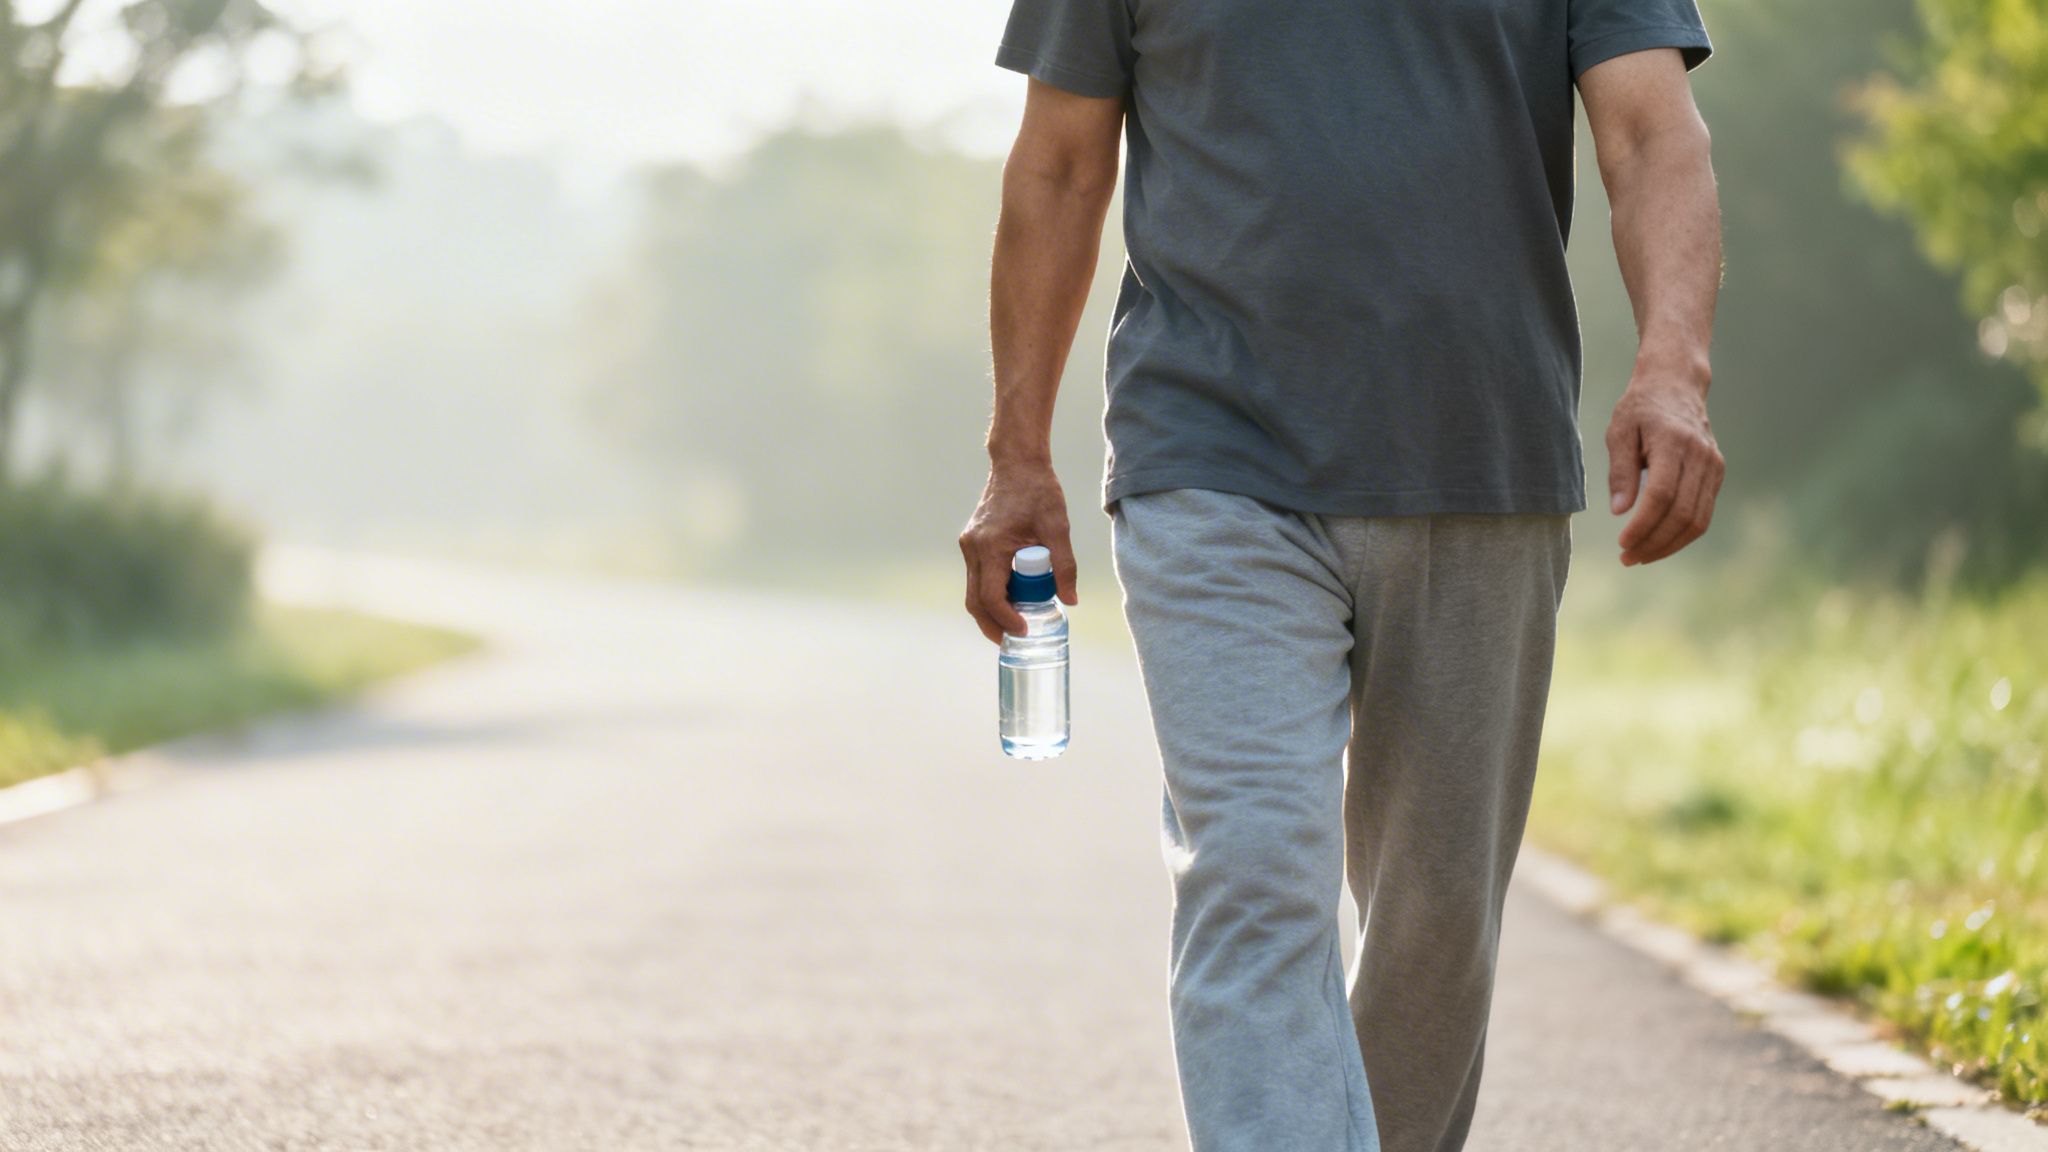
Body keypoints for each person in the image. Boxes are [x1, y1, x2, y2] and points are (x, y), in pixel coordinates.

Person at [958, 1, 1724, 1149]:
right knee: (1252, 869)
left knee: (1434, 930)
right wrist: (1017, 457)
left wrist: (1669, 369)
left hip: (1481, 457)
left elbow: (1650, 135)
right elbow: (1062, 164)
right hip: (1209, 456)